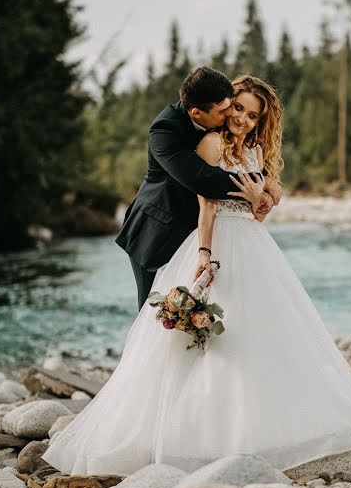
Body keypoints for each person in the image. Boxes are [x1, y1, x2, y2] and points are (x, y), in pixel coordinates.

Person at [43, 75, 351, 475]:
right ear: (224, 104)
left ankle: (259, 425)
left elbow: (264, 208)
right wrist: (214, 240)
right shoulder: (196, 138)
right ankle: (166, 429)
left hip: (250, 244)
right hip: (173, 232)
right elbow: (206, 196)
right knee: (173, 333)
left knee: (254, 332)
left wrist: (264, 199)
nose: (243, 119)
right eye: (237, 109)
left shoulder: (253, 148)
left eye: (253, 115)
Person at [114, 66, 280, 310]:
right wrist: (261, 182)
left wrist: (260, 199)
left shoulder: (232, 132)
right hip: (158, 230)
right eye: (227, 110)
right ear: (197, 113)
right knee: (154, 314)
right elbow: (204, 180)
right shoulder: (165, 131)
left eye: (232, 106)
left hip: (204, 231)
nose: (231, 117)